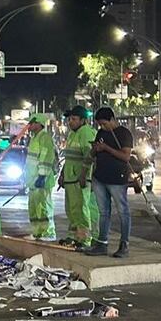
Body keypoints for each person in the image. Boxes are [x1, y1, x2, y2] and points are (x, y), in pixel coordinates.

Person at [85, 107, 134, 257]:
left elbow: (125, 156)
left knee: (123, 212)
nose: (103, 127)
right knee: (103, 212)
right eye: (100, 124)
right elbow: (92, 154)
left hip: (117, 178)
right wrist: (95, 149)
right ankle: (102, 243)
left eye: (105, 123)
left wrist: (106, 147)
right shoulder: (101, 133)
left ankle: (124, 244)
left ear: (112, 119)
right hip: (100, 177)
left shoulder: (124, 133)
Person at [60, 106, 98, 249]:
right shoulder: (72, 134)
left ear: (83, 120)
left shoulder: (85, 133)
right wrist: (62, 174)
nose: (70, 122)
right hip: (70, 178)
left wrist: (83, 174)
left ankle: (84, 239)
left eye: (74, 119)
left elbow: (89, 156)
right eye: (69, 119)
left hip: (79, 179)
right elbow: (69, 158)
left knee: (82, 209)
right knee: (71, 209)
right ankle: (74, 236)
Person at [24, 113, 58, 241]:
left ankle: (48, 232)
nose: (29, 125)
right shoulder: (34, 138)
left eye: (32, 123)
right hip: (33, 180)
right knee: (34, 207)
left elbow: (46, 159)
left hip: (41, 179)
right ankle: (37, 232)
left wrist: (42, 176)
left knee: (43, 207)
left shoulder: (45, 138)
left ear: (39, 124)